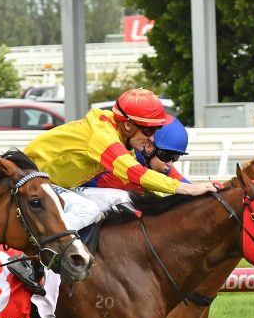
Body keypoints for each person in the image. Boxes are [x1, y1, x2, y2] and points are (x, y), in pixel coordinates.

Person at [24, 88, 216, 232]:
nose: (151, 139)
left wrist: (205, 193)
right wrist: (188, 189)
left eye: (155, 131)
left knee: (125, 200)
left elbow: (147, 183)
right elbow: (136, 173)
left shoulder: (120, 135)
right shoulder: (102, 136)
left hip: (56, 184)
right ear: (128, 126)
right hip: (30, 180)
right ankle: (38, 256)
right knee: (87, 209)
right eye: (148, 131)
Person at [85, 114, 190, 190]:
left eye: (175, 157)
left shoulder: (158, 162)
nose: (170, 164)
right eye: (166, 156)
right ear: (149, 147)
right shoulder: (121, 156)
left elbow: (187, 186)